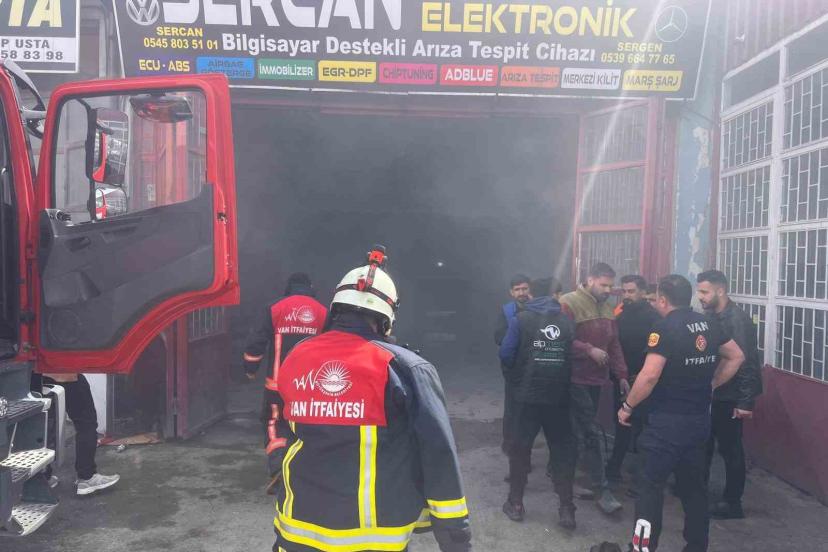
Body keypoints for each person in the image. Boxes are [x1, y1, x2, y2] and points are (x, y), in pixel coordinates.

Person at [268, 246, 472, 552]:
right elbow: (438, 455)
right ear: (387, 317)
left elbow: (280, 424)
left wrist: (275, 464)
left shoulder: (296, 356)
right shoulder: (405, 368)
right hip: (374, 538)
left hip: (296, 530)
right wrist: (456, 540)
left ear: (336, 306)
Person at [617, 275, 745, 552]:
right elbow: (736, 356)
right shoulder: (709, 323)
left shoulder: (664, 328)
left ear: (663, 300)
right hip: (698, 424)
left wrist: (628, 406)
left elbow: (649, 376)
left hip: (665, 425)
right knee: (694, 490)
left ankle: (643, 548)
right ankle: (697, 546)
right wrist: (712, 383)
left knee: (649, 488)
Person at [499, 277, 577, 529]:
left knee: (520, 449)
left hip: (526, 398)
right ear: (555, 295)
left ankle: (516, 504)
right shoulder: (566, 322)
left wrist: (515, 378)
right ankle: (566, 508)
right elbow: (570, 356)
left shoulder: (520, 320)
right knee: (562, 451)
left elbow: (506, 353)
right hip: (558, 398)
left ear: (533, 295)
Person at [242, 272, 327, 487]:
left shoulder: (274, 308)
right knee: (309, 424)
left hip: (278, 385)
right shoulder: (323, 312)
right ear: (311, 287)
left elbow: (256, 341)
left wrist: (250, 369)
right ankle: (305, 473)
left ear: (288, 288)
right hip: (312, 386)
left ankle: (279, 467)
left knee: (275, 423)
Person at [559, 262, 628, 514]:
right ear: (589, 280)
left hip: (598, 380)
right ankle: (602, 490)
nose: (608, 290)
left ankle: (570, 478)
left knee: (580, 431)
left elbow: (614, 344)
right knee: (590, 432)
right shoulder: (568, 303)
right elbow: (560, 339)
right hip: (575, 379)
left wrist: (622, 374)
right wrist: (588, 349)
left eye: (611, 285)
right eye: (604, 285)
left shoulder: (608, 308)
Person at [696, 269, 764, 520]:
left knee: (730, 449)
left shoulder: (737, 320)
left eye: (705, 292)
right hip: (713, 391)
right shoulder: (711, 315)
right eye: (699, 291)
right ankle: (697, 489)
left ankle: (732, 503)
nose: (700, 297)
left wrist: (745, 401)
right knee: (704, 443)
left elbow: (747, 362)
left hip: (731, 395)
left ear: (721, 291)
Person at [606, 275, 660, 483]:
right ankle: (614, 468)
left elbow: (658, 352)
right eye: (624, 291)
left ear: (643, 292)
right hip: (621, 379)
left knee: (644, 427)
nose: (626, 295)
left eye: (631, 291)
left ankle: (642, 476)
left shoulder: (654, 318)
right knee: (621, 424)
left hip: (646, 381)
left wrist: (644, 372)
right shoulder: (620, 316)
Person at [41, 373, 120, 496]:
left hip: (38, 377)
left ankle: (42, 477)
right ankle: (87, 476)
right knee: (86, 423)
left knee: (44, 424)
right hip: (66, 374)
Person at [494, 274, 532, 458]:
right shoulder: (506, 311)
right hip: (514, 367)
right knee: (512, 407)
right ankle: (509, 443)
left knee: (531, 408)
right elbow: (498, 337)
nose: (521, 293)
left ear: (530, 290)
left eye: (525, 289)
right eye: (517, 290)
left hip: (534, 367)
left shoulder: (538, 309)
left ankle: (526, 444)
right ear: (511, 292)